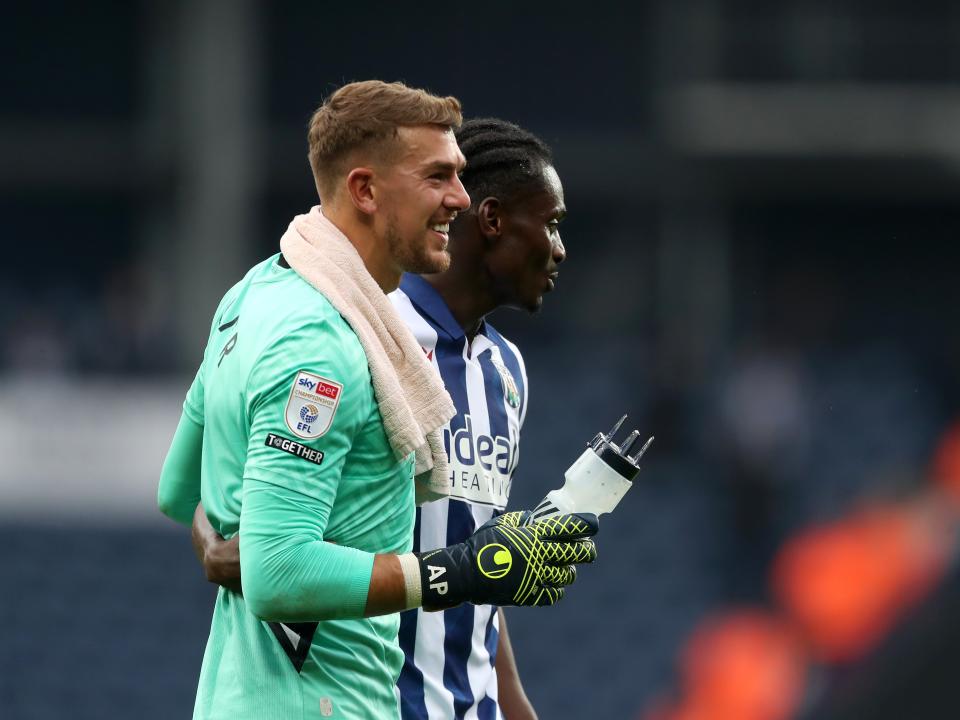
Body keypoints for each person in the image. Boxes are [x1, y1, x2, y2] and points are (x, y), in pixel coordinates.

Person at [158, 81, 598, 720]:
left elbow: (181, 489)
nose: (460, 198)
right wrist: (242, 549)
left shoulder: (254, 297)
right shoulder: (343, 339)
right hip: (333, 699)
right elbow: (279, 566)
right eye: (440, 177)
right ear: (365, 190)